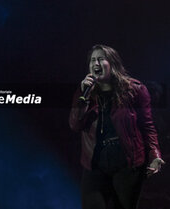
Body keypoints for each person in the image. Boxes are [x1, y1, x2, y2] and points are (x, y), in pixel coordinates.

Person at [69, 44, 165, 209]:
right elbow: (75, 125)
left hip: (127, 163)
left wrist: (155, 155)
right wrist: (83, 97)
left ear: (112, 63)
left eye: (100, 59)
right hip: (95, 163)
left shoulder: (135, 90)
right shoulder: (85, 91)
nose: (95, 64)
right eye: (92, 60)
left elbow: (147, 126)